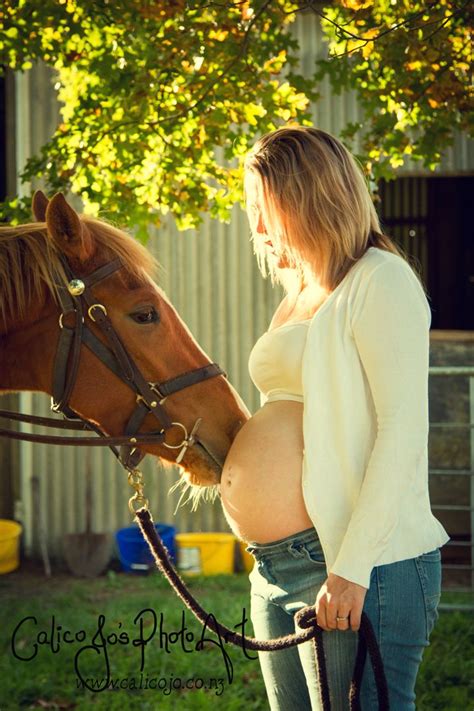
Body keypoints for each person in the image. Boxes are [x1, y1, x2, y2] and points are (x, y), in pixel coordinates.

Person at [219, 125, 450, 710]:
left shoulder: (381, 280)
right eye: (252, 209)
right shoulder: (299, 291)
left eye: (265, 208)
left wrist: (350, 570)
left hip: (359, 565)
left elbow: (401, 433)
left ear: (309, 198)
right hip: (275, 568)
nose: (258, 229)